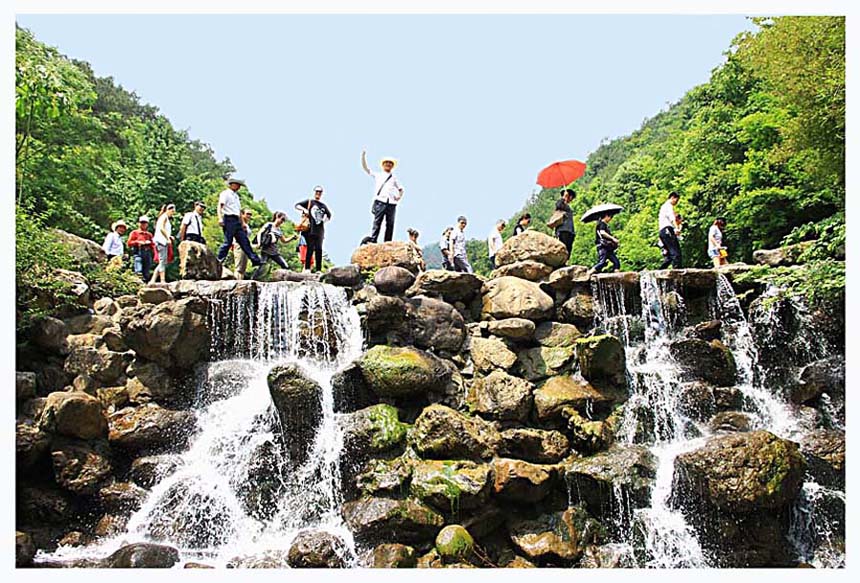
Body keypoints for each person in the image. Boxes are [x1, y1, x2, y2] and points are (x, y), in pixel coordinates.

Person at [217, 177, 262, 269]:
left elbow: (238, 211)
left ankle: (255, 260)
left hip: (237, 220)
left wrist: (243, 223)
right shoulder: (225, 194)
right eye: (237, 185)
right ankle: (219, 259)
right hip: (228, 218)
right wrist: (220, 218)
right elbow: (220, 206)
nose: (238, 187)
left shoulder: (236, 196)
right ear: (232, 184)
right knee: (228, 242)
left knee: (244, 241)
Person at [360, 150, 404, 245]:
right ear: (383, 165)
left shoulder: (394, 177)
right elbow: (366, 168)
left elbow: (401, 189)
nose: (388, 164)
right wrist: (363, 156)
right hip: (380, 201)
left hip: (391, 203)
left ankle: (388, 242)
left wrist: (399, 197)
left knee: (390, 223)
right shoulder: (378, 175)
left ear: (392, 166)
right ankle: (373, 239)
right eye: (386, 163)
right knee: (377, 222)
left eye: (390, 163)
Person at [294, 185, 332, 273]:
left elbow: (329, 215)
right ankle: (307, 268)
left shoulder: (323, 206)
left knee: (319, 249)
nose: (318, 193)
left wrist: (323, 221)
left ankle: (318, 269)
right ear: (314, 192)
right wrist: (304, 210)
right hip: (310, 229)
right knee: (310, 248)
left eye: (320, 192)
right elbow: (297, 205)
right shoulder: (310, 202)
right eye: (317, 192)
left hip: (320, 230)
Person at [251, 211, 295, 280]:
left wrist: (292, 237)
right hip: (265, 250)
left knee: (285, 265)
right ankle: (253, 279)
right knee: (262, 267)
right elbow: (260, 233)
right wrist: (259, 243)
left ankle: (285, 279)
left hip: (274, 251)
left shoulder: (279, 230)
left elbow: (284, 241)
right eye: (282, 219)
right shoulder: (269, 225)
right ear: (277, 217)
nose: (282, 222)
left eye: (284, 220)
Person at [150, 203, 176, 284]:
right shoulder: (164, 217)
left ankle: (152, 280)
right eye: (172, 212)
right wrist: (167, 238)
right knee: (162, 261)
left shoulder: (164, 218)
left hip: (162, 241)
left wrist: (170, 236)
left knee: (162, 261)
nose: (172, 214)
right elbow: (161, 228)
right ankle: (162, 280)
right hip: (161, 242)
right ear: (168, 210)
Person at [658, 191, 682, 269]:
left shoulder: (663, 207)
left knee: (668, 255)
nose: (676, 202)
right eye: (676, 200)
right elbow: (672, 218)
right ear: (672, 198)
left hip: (662, 231)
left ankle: (661, 270)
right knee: (676, 252)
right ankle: (677, 270)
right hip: (667, 229)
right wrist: (677, 228)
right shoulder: (668, 206)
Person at [127, 216, 155, 282]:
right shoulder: (134, 233)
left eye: (145, 223)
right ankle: (138, 282)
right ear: (139, 223)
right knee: (138, 270)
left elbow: (153, 245)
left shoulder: (149, 234)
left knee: (146, 271)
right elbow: (129, 243)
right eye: (142, 223)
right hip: (138, 252)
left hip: (147, 253)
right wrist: (138, 242)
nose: (143, 224)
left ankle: (145, 283)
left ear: (147, 224)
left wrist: (149, 243)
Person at [233, 208, 255, 280]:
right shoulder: (239, 223)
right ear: (242, 215)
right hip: (239, 245)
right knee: (239, 267)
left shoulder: (247, 226)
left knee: (243, 268)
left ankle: (240, 282)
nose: (249, 216)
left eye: (250, 214)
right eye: (247, 214)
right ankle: (236, 283)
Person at [555, 189, 576, 257]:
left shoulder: (568, 206)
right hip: (563, 230)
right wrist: (564, 197)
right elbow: (558, 205)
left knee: (568, 250)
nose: (571, 199)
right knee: (563, 248)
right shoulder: (560, 203)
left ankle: (566, 260)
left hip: (570, 231)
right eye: (571, 197)